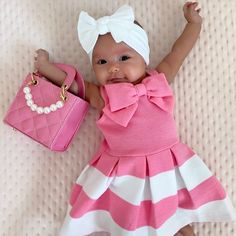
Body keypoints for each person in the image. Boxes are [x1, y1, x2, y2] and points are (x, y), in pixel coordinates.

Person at [34, 2, 236, 236]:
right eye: (102, 62)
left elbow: (178, 52)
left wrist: (193, 24)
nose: (113, 69)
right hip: (126, 170)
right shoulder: (103, 96)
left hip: (166, 162)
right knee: (128, 217)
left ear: (144, 58)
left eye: (124, 57)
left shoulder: (158, 80)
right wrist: (46, 67)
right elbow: (75, 84)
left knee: (176, 213)